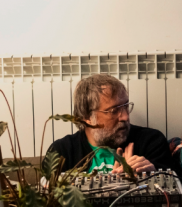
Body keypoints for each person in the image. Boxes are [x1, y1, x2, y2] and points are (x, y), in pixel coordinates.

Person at [47, 73, 175, 173]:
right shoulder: (61, 152)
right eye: (114, 111)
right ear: (87, 116)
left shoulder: (151, 141)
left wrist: (152, 174)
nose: (125, 117)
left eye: (126, 106)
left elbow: (173, 189)